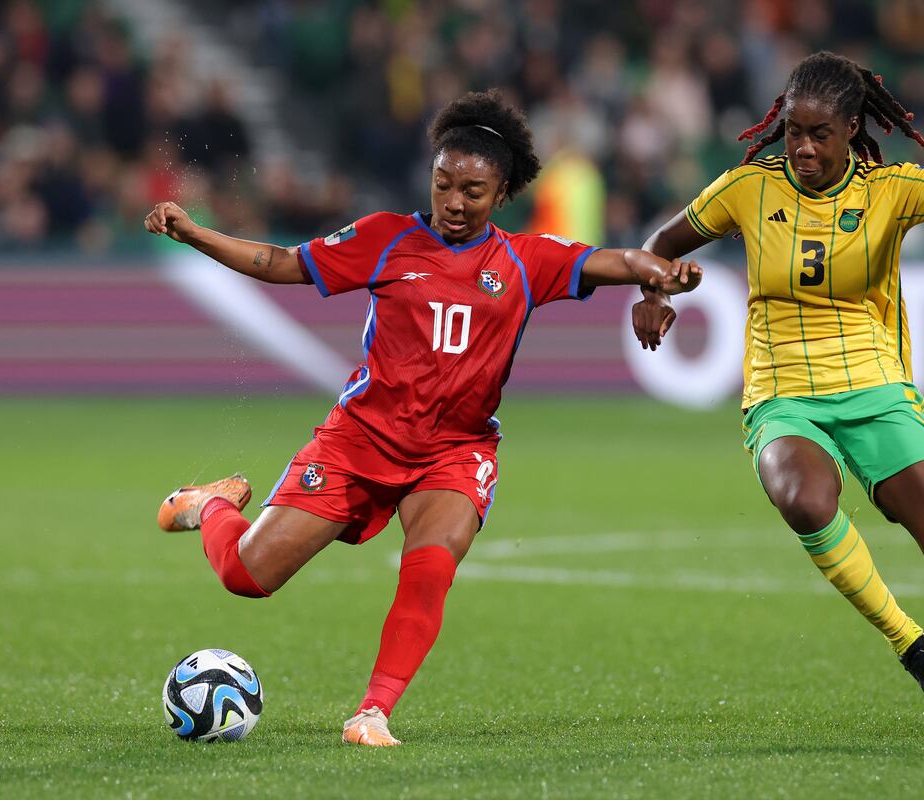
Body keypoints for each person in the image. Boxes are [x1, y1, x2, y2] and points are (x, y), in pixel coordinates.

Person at [145, 90, 701, 747]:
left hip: (455, 451)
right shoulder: (386, 239)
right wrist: (195, 234)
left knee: (431, 567)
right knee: (246, 576)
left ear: (502, 195)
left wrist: (661, 279)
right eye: (444, 184)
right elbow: (283, 263)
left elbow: (620, 261)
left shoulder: (526, 261)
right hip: (360, 439)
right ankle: (210, 504)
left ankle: (371, 714)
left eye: (473, 190)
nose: (454, 202)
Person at [632, 51, 924, 740]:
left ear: (852, 129)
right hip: (781, 393)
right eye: (792, 131)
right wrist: (655, 292)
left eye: (819, 134)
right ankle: (909, 642)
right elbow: (661, 241)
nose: (802, 147)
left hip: (876, 391)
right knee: (804, 499)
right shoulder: (747, 188)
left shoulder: (891, 190)